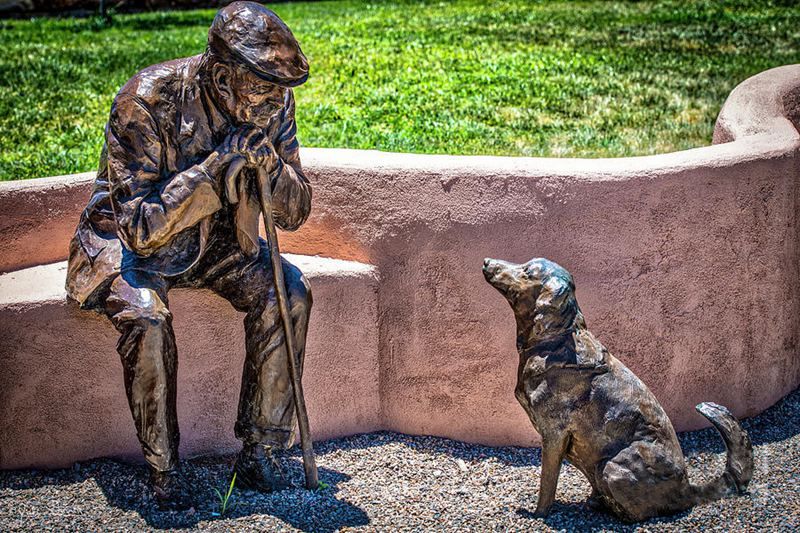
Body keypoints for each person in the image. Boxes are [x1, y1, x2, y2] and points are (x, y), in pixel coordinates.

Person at [65, 1, 312, 509]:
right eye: (264, 90)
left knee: (289, 292)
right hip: (130, 244)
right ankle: (163, 467)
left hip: (219, 240)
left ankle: (261, 452)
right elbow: (138, 227)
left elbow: (294, 212)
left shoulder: (272, 103)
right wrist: (213, 170)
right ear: (223, 79)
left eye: (279, 94)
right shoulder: (147, 101)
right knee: (147, 319)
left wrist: (271, 169)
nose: (275, 105)